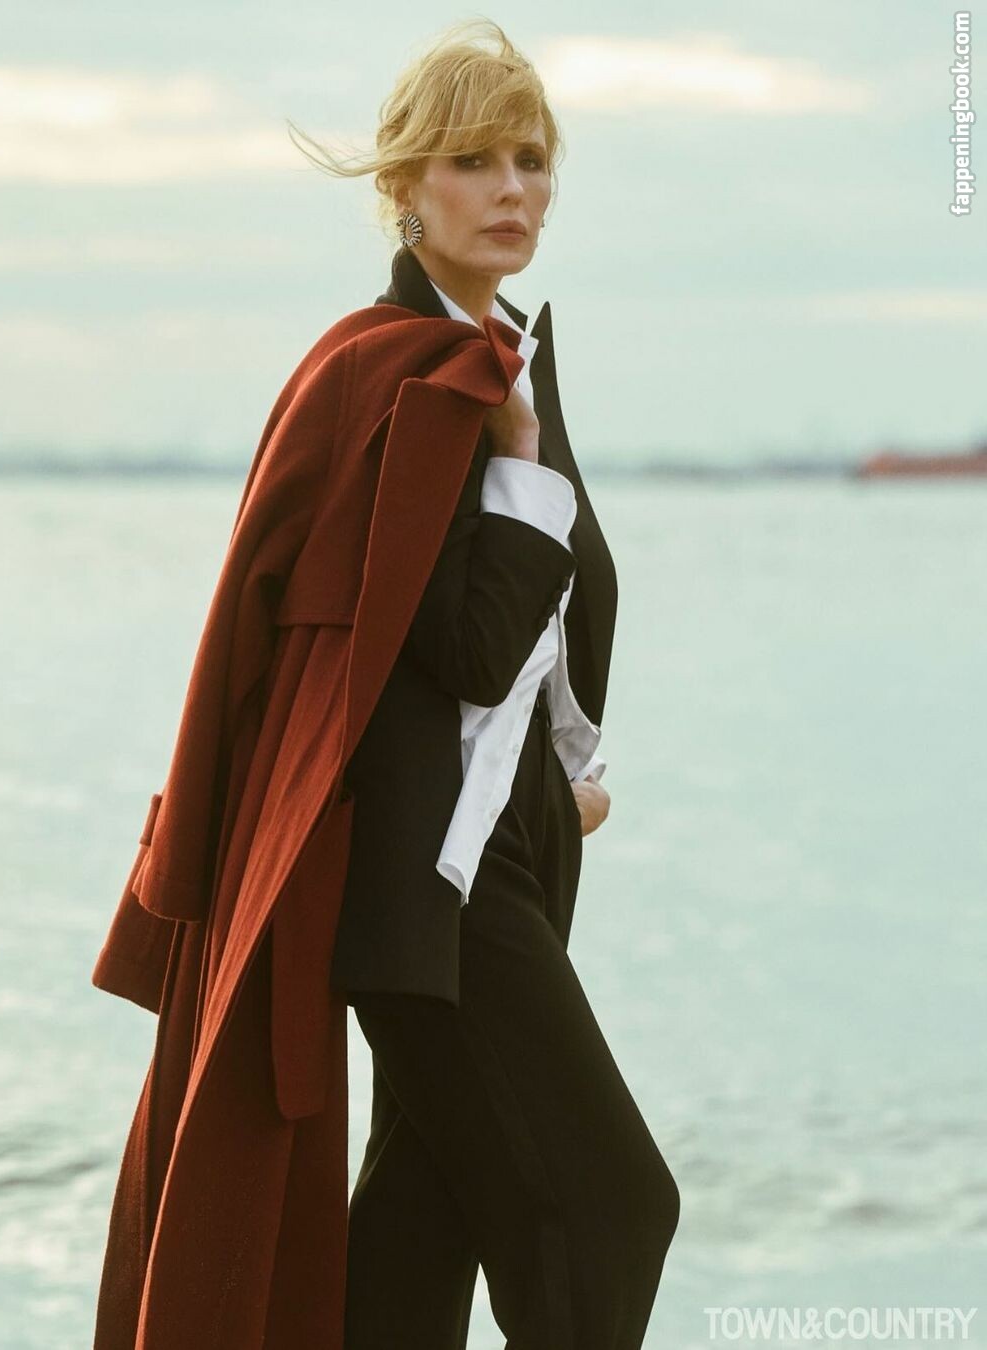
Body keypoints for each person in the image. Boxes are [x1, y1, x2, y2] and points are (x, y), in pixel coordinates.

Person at [287, 18, 681, 1349]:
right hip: (427, 887)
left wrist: (561, 778)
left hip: (494, 853)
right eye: (473, 161)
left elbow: (531, 631)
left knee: (421, 1232)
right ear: (405, 186)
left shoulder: (501, 354)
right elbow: (458, 642)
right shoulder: (397, 370)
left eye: (532, 159)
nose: (513, 188)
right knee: (612, 1206)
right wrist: (518, 456)